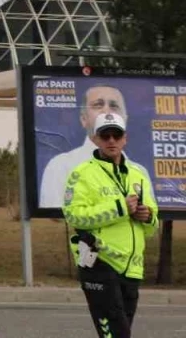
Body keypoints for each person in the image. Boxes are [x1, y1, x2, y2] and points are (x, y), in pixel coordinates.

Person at [63, 111, 158, 338]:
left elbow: (152, 226)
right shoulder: (82, 174)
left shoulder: (138, 174)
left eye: (117, 135)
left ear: (125, 138)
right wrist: (120, 208)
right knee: (118, 335)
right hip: (99, 263)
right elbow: (73, 215)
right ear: (95, 139)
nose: (111, 140)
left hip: (132, 267)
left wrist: (147, 217)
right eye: (105, 135)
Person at [39, 83, 145, 208]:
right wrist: (119, 209)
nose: (107, 111)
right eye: (98, 105)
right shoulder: (61, 166)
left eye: (114, 106)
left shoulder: (140, 172)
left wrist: (145, 215)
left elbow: (151, 214)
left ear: (125, 119)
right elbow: (56, 215)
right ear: (84, 119)